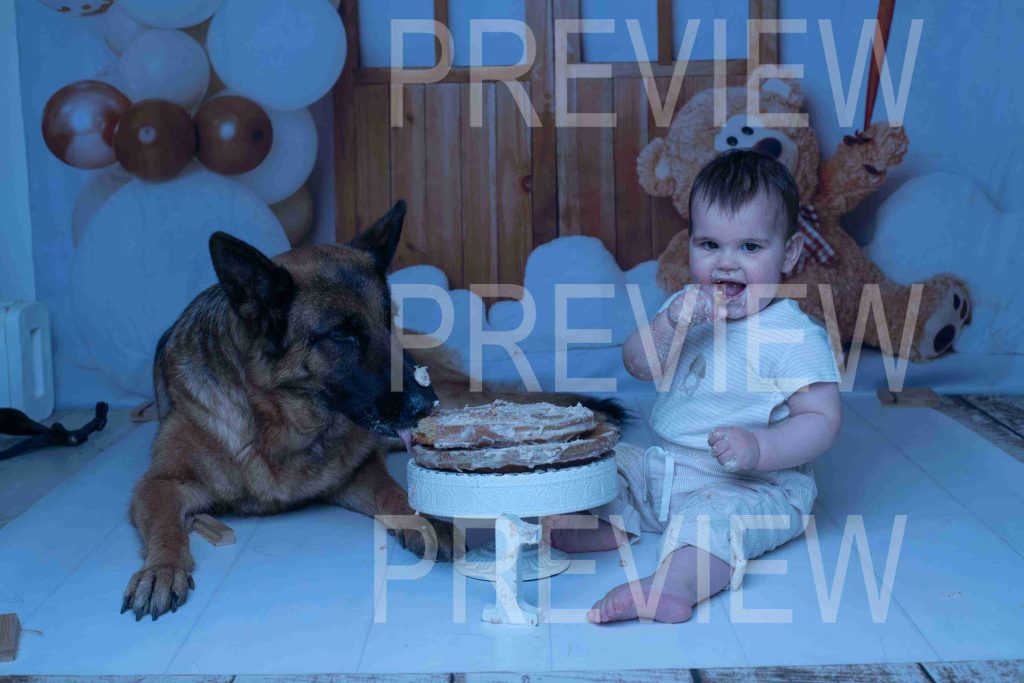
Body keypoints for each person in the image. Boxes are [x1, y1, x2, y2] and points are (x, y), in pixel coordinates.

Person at [549, 149, 843, 624]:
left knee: (710, 522)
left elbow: (822, 419)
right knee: (604, 464)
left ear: (788, 253)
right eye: (709, 244)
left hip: (755, 483)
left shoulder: (792, 334)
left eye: (750, 247)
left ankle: (674, 586)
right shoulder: (684, 308)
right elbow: (637, 365)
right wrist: (668, 326)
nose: (726, 263)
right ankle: (602, 524)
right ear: (689, 244)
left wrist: (760, 448)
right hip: (668, 467)